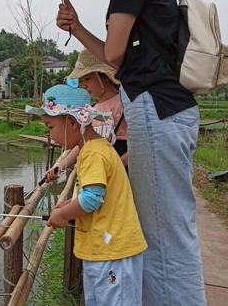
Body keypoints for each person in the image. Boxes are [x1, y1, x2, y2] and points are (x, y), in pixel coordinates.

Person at [56, 0, 206, 305]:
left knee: (163, 233)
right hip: (167, 108)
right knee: (165, 226)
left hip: (157, 109)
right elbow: (112, 53)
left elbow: (115, 53)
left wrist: (82, 28)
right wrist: (77, 28)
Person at [26, 84, 147, 306]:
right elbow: (91, 194)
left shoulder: (93, 153)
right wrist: (67, 207)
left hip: (112, 252)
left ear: (72, 122)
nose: (50, 136)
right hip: (104, 249)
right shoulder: (93, 148)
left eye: (50, 127)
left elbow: (91, 198)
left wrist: (64, 215)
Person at [45, 49, 128, 183]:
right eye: (81, 81)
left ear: (104, 77)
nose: (83, 85)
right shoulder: (92, 109)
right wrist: (60, 167)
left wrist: (116, 166)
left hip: (122, 169)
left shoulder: (125, 103)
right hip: (100, 170)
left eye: (88, 78)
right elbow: (83, 143)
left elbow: (138, 145)